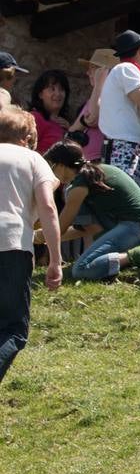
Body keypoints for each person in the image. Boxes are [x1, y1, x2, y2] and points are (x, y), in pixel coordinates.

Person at [0, 107, 62, 384]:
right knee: (14, 329)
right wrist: (55, 260)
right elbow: (48, 207)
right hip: (12, 244)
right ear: (26, 136)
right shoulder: (32, 158)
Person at [38, 140, 140, 281]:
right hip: (136, 228)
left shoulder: (78, 187)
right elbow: (90, 229)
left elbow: (59, 229)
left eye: (51, 167)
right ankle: (132, 256)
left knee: (81, 269)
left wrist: (38, 236)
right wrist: (43, 237)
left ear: (61, 165)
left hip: (136, 228)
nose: (51, 173)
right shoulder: (93, 173)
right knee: (86, 265)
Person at [98, 30, 140, 191]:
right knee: (128, 199)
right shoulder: (127, 69)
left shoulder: (122, 71)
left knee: (130, 198)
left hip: (124, 146)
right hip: (124, 147)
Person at [69, 49, 115, 161]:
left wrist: (99, 84)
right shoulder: (93, 99)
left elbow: (93, 118)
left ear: (105, 71)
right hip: (88, 162)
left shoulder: (113, 98)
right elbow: (71, 131)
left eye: (93, 68)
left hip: (100, 163)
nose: (87, 73)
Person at [28, 69, 73, 153]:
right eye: (52, 89)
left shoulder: (64, 124)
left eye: (62, 89)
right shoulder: (34, 119)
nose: (58, 94)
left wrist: (69, 131)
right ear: (40, 94)